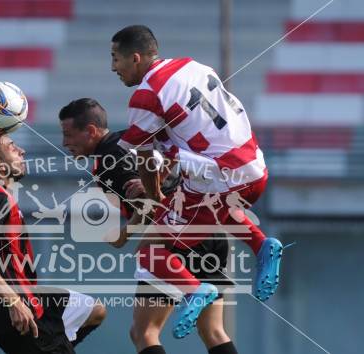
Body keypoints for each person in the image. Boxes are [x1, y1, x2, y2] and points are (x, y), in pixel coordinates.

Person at [110, 24, 285, 352]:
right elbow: (180, 138)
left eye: (116, 58)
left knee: (148, 250)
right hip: (253, 168)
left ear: (135, 58)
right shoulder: (193, 66)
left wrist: (154, 195)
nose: (113, 68)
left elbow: (146, 157)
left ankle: (193, 290)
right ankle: (261, 245)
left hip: (219, 176)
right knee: (213, 211)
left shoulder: (147, 95)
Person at [58, 98, 237, 354]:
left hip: (174, 242)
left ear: (91, 131)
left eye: (68, 134)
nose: (65, 143)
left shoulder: (109, 160)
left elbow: (149, 200)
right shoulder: (131, 139)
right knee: (213, 331)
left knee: (144, 332)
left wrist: (124, 235)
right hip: (208, 227)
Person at [0, 130, 106, 354]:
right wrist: (13, 302)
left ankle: (56, 343)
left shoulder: (2, 197)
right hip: (12, 308)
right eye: (12, 147)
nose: (22, 151)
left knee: (94, 310)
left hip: (31, 298)